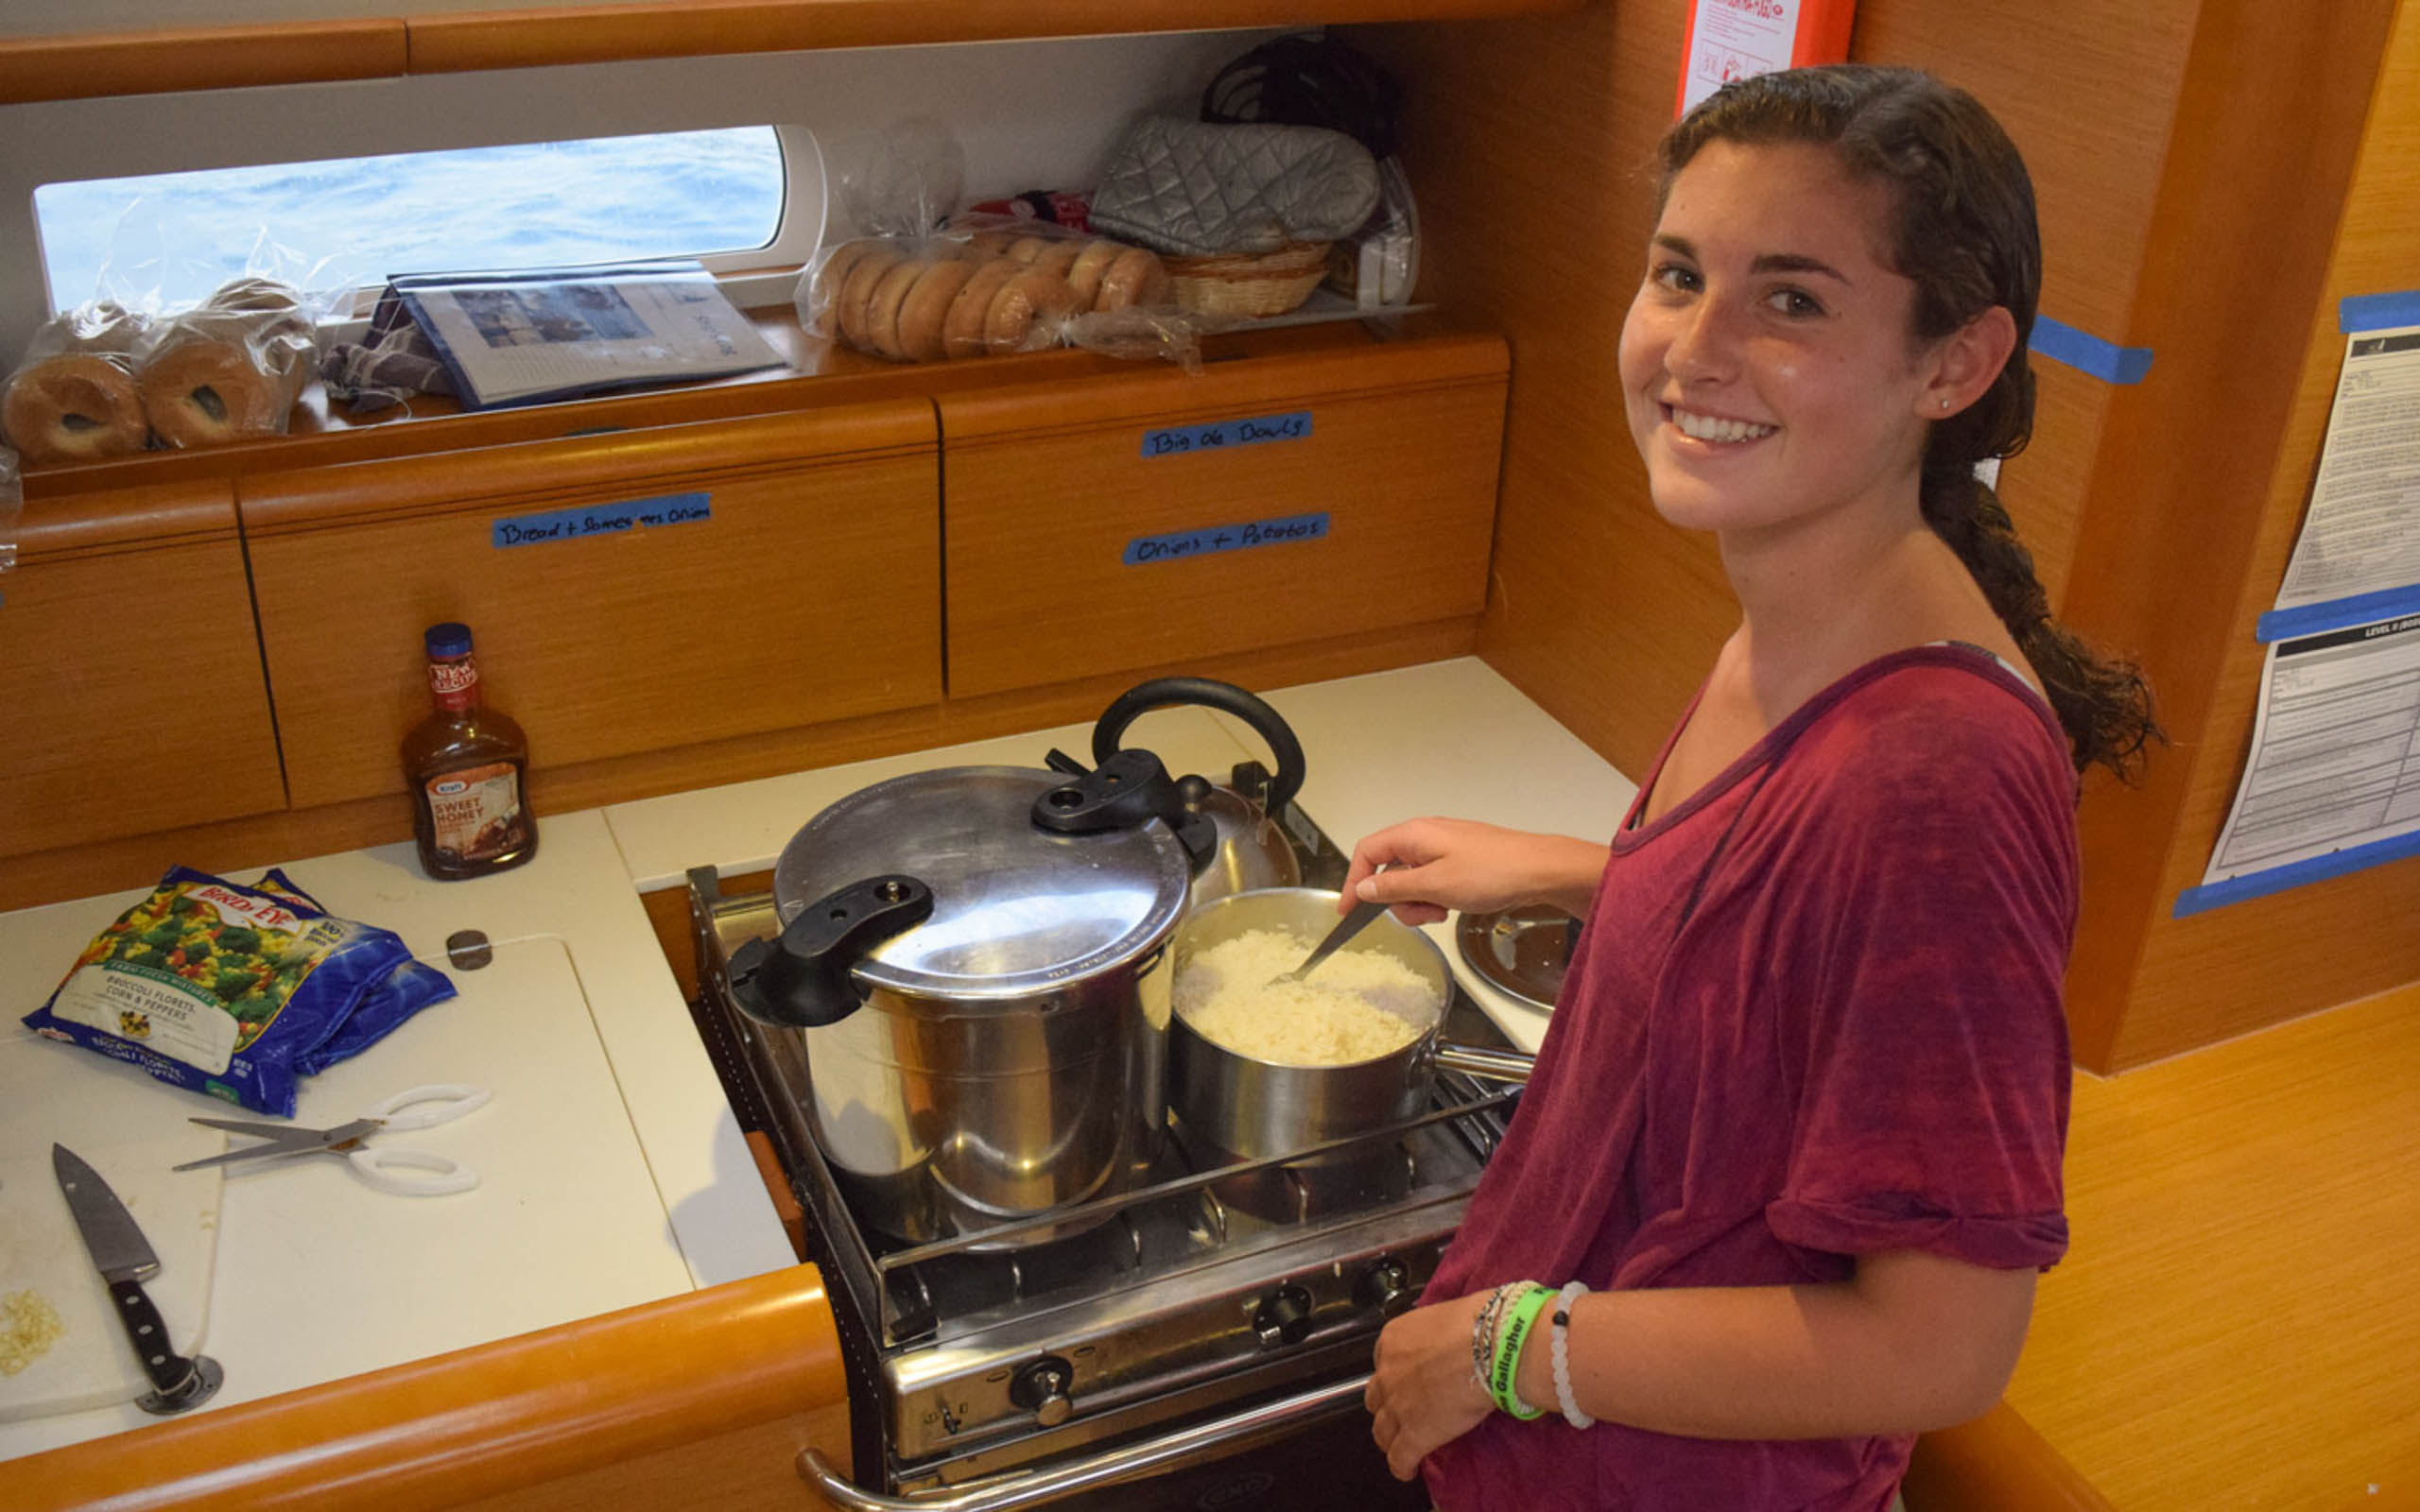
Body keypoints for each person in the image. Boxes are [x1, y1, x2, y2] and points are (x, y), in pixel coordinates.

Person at [1349, 63, 2157, 1511]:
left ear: (1954, 364)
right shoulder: (1807, 620)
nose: (1692, 351)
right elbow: (1809, 918)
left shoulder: (1941, 778)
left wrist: (1505, 1345)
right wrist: (1588, 870)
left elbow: (1940, 1344)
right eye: (1677, 275)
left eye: (1791, 301)